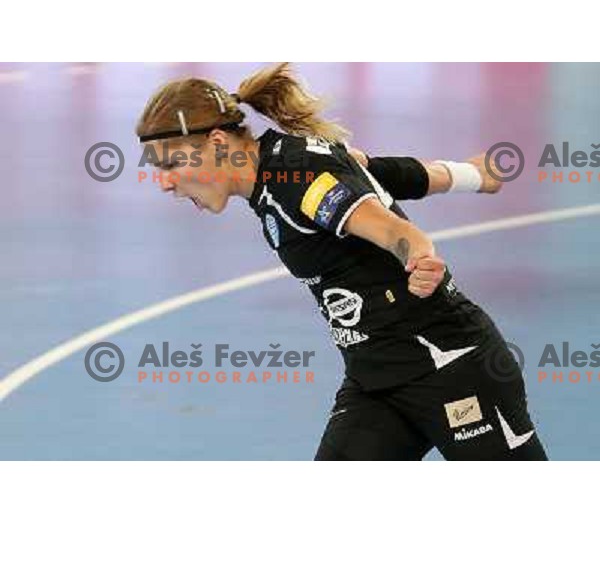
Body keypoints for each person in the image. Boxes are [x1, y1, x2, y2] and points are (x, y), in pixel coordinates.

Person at [136, 62, 547, 461]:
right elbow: (375, 172)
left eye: (171, 163)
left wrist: (418, 255)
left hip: (452, 368)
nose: (164, 181)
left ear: (218, 144)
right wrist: (472, 175)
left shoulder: (299, 183)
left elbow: (391, 230)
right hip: (376, 382)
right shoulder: (283, 160)